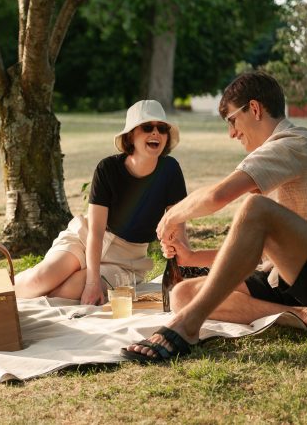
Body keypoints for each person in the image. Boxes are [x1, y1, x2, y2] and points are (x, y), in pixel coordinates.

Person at [122, 71, 307, 363]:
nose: (232, 133)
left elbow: (218, 196)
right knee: (181, 295)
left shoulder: (292, 143)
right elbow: (253, 254)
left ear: (254, 109)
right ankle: (304, 315)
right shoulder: (281, 158)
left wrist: (172, 216)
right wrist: (190, 257)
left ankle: (186, 327)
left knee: (255, 208)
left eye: (232, 120)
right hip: (293, 280)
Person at [15, 100, 186, 304]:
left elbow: (178, 226)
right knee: (38, 281)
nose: (156, 133)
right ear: (131, 135)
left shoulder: (170, 170)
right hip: (86, 238)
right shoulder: (107, 169)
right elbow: (95, 232)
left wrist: (185, 268)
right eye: (147, 127)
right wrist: (92, 282)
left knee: (65, 291)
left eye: (162, 128)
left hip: (127, 259)